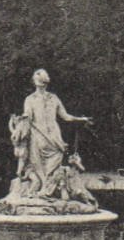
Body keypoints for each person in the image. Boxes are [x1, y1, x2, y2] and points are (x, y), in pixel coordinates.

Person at [10, 69, 92, 199]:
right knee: (38, 162)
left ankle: (48, 190)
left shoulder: (53, 98)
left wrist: (80, 119)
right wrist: (20, 122)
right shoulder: (31, 99)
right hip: (39, 135)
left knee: (55, 161)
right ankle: (43, 188)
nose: (41, 81)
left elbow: (65, 116)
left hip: (54, 136)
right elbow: (28, 117)